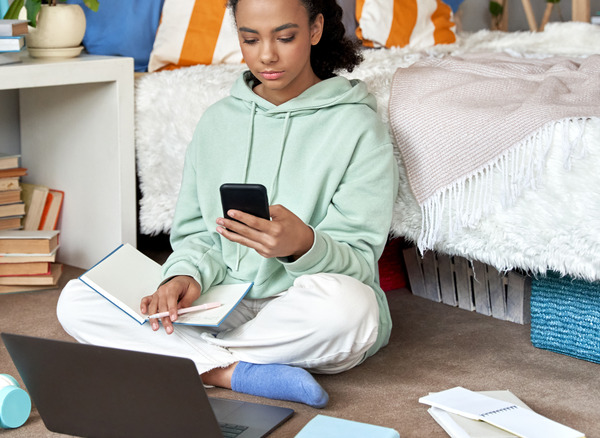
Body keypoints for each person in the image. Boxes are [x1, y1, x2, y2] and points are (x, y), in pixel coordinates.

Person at [57, 0, 398, 409]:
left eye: (285, 37)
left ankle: (191, 361)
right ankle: (236, 371)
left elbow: (360, 263)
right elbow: (196, 235)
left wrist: (303, 245)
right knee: (78, 301)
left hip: (300, 306)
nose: (266, 55)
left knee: (352, 310)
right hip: (220, 300)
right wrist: (184, 276)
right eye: (250, 39)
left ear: (315, 28)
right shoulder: (217, 122)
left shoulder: (358, 127)